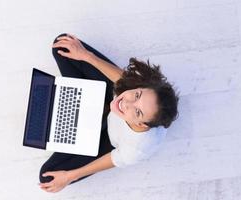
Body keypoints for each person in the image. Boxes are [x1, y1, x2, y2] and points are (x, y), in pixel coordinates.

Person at [39, 33, 179, 193]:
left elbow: (112, 159)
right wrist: (85, 55)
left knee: (47, 177)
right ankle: (84, 98)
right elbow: (123, 82)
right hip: (108, 96)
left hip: (107, 138)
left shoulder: (138, 148)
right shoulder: (136, 91)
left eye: (138, 111)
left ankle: (83, 104)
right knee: (62, 45)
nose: (126, 103)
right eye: (137, 95)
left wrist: (71, 176)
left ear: (142, 124)